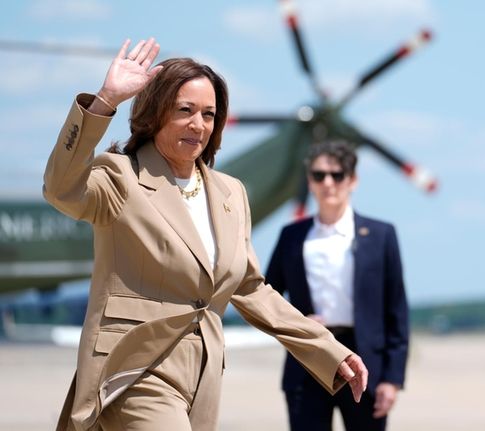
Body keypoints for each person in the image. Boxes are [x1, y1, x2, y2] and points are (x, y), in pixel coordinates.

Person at [44, 37, 367, 431]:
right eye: (185, 110)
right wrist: (105, 100)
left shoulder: (230, 192)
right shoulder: (120, 176)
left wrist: (328, 350)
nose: (198, 124)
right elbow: (61, 188)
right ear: (156, 112)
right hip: (133, 369)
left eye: (209, 114)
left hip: (203, 375)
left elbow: (250, 289)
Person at [266, 140, 409, 430]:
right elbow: (266, 295)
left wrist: (392, 379)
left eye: (337, 175)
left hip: (365, 362)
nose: (328, 182)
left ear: (352, 180)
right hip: (308, 358)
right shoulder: (291, 235)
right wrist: (297, 324)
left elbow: (397, 311)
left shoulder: (381, 235)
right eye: (319, 175)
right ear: (310, 181)